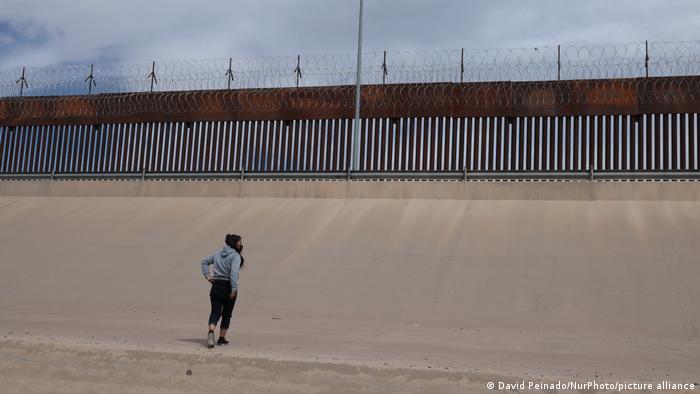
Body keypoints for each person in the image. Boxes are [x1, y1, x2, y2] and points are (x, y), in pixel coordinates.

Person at [201, 234, 244, 348]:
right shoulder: (235, 256)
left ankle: (211, 331)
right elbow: (234, 273)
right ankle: (221, 338)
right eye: (240, 242)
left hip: (216, 285)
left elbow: (204, 261)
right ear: (235, 243)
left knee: (215, 312)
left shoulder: (217, 253)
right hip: (228, 286)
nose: (241, 244)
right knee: (227, 314)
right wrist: (234, 289)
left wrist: (208, 276)